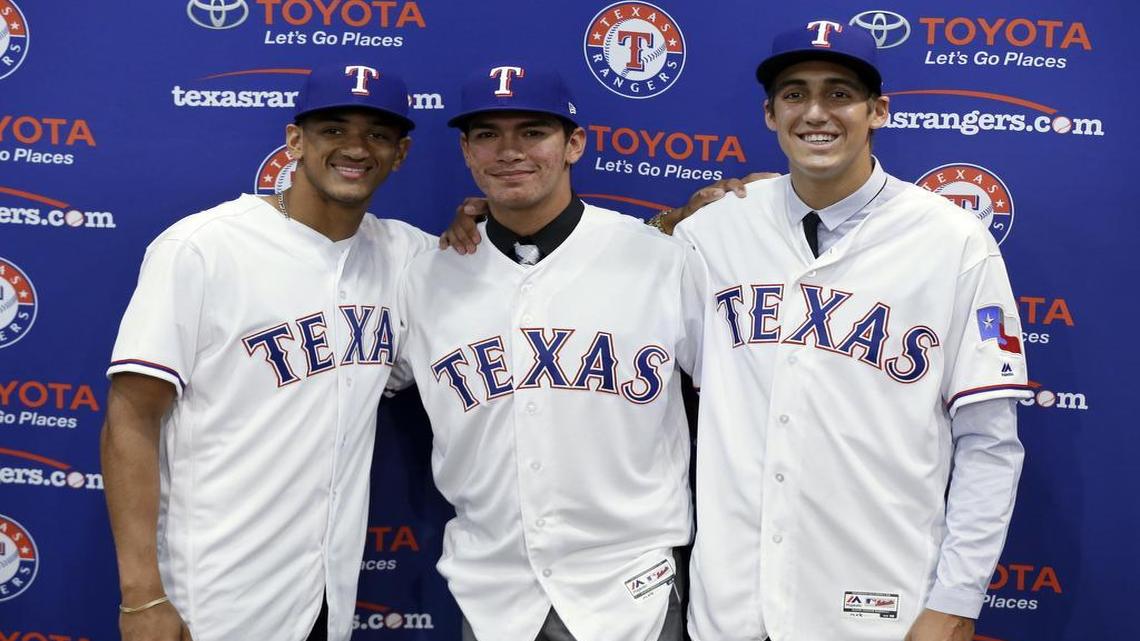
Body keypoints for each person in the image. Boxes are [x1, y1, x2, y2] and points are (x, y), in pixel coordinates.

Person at [674, 21, 1031, 641]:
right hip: (732, 606)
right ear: (770, 114)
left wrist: (956, 599)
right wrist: (505, 223)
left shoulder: (953, 242)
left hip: (877, 604)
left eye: (839, 93)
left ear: (878, 111)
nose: (816, 112)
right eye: (795, 94)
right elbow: (599, 292)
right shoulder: (711, 235)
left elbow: (990, 443)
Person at [100, 62, 434, 641]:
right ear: (295, 140)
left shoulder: (406, 254)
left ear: (400, 153)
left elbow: (500, 281)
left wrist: (475, 223)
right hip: (214, 591)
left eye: (377, 134)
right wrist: (140, 596)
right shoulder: (203, 248)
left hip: (325, 593)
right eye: (333, 129)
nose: (355, 147)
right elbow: (130, 417)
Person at [392, 63, 702, 641]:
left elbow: (753, 383)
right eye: (487, 135)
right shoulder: (423, 278)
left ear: (574, 144)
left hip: (631, 591)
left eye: (532, 131)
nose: (509, 151)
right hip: (494, 597)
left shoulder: (663, 261)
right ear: (465, 152)